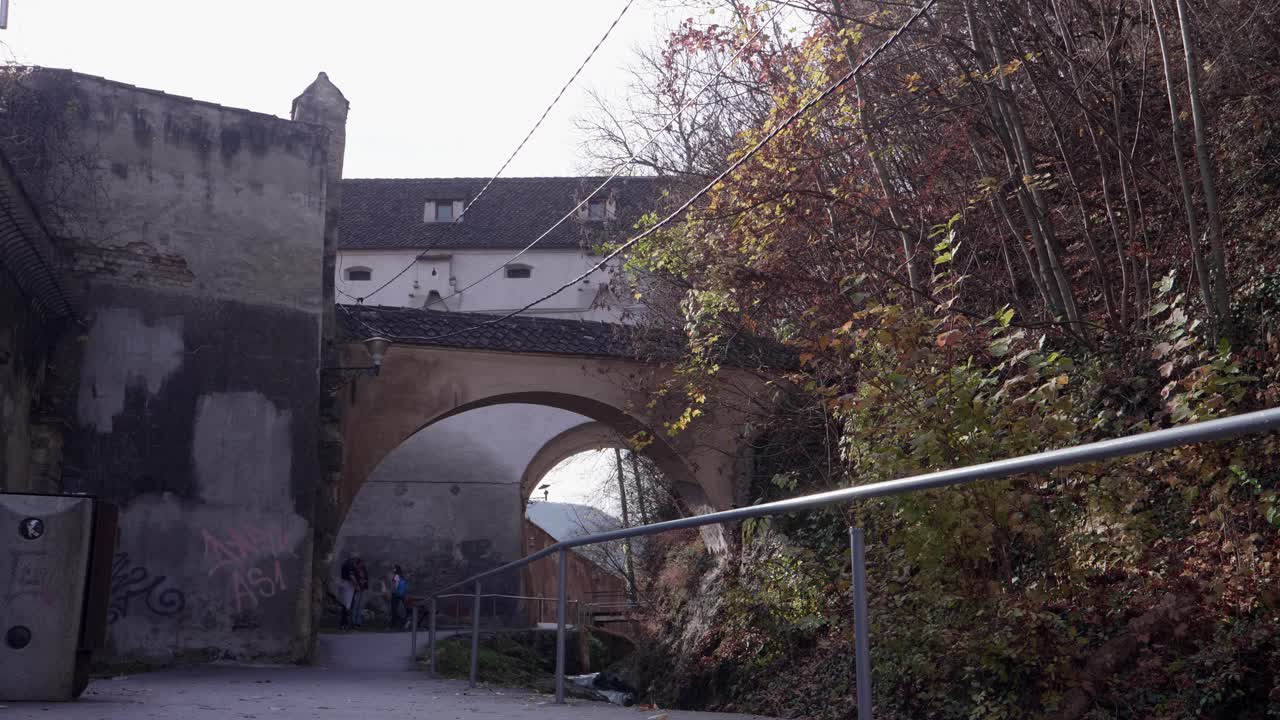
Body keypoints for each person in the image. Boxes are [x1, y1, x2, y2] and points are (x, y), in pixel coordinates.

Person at [388, 564, 409, 630]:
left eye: (394, 568)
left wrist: (391, 592)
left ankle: (404, 622)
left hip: (395, 594)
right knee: (395, 610)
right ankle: (392, 625)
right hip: (400, 594)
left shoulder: (396, 576)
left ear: (396, 569)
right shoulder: (401, 576)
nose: (393, 569)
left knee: (394, 610)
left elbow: (394, 586)